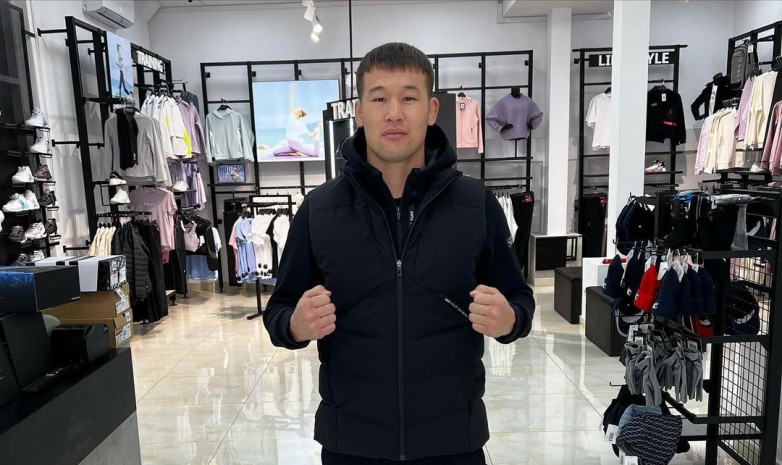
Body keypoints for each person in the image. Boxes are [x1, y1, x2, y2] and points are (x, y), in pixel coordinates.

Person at [263, 42, 535, 465]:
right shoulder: (318, 210)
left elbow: (520, 299)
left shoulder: (476, 205)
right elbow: (278, 311)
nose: (394, 113)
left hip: (453, 442)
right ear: (359, 111)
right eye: (379, 99)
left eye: (409, 98)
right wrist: (295, 326)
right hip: (351, 444)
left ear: (431, 109)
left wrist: (510, 319)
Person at [273, 83, 323, 157]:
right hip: (290, 145)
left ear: (299, 113)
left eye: (298, 109)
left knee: (315, 154)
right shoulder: (292, 117)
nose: (295, 109)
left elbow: (309, 135)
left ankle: (300, 150)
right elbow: (291, 103)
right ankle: (293, 153)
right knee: (275, 152)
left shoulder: (301, 124)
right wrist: (292, 91)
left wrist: (317, 131)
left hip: (296, 145)